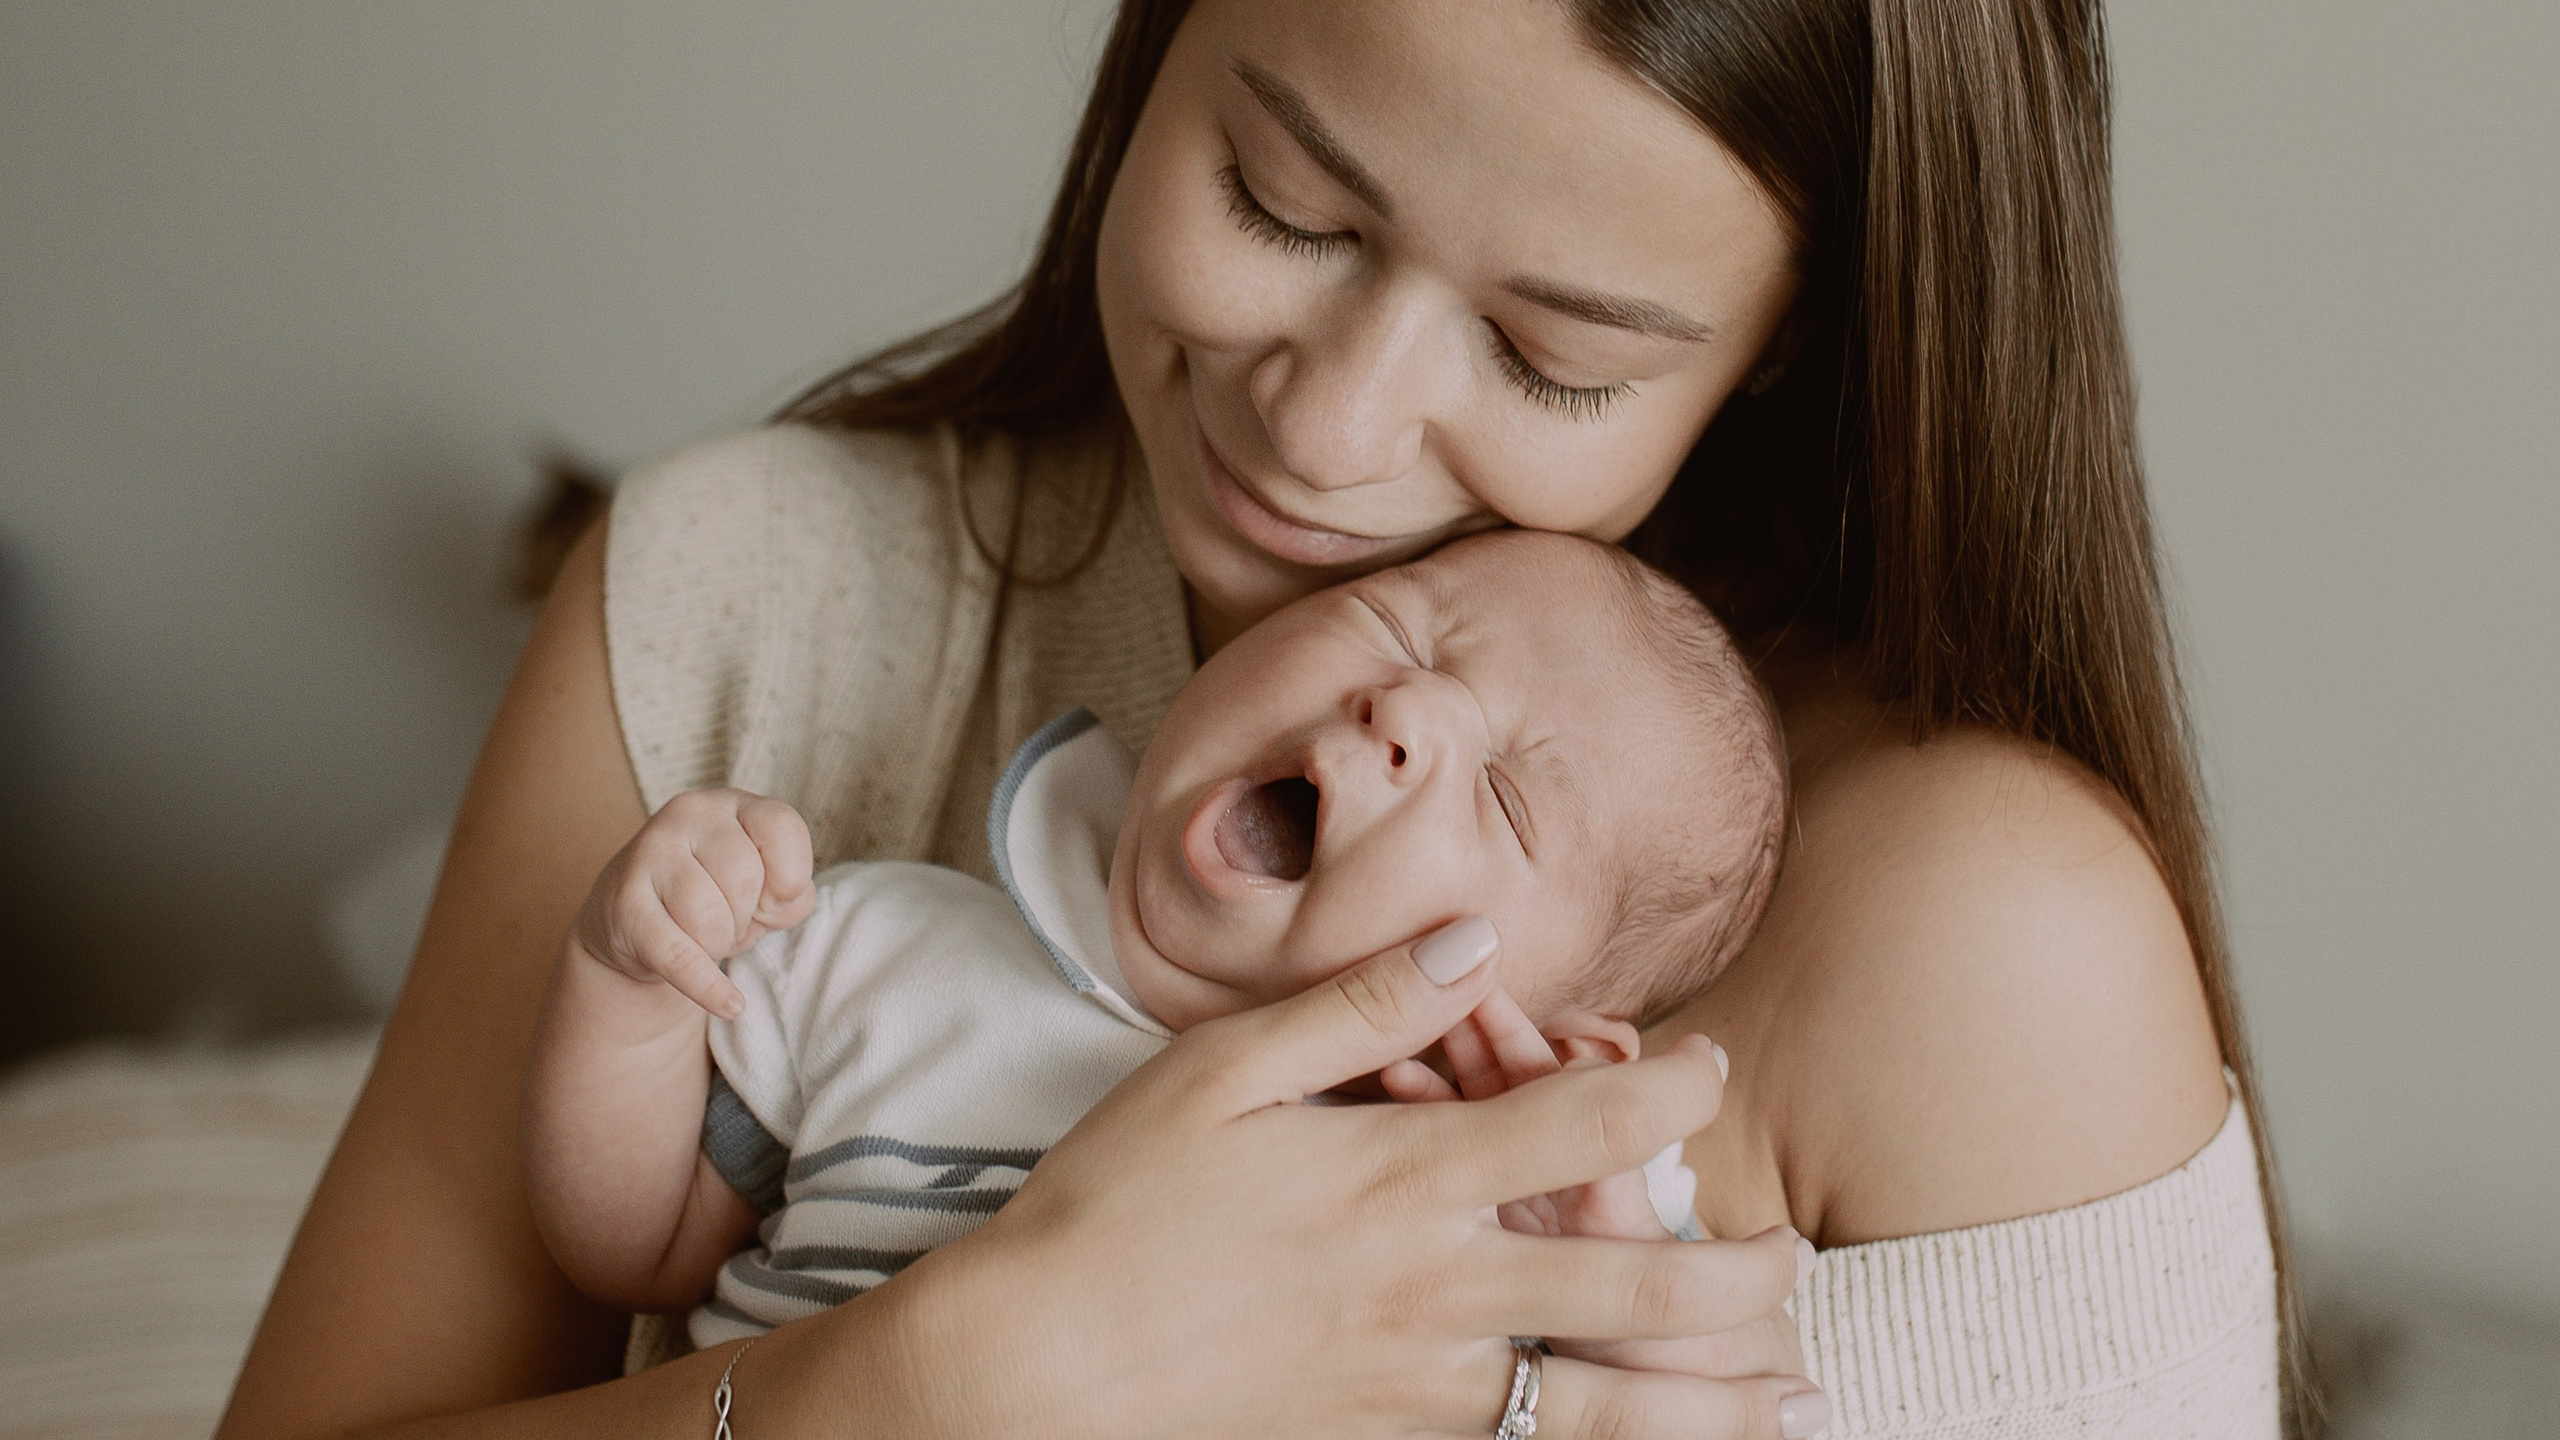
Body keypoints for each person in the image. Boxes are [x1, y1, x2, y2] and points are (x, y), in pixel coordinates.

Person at [221, 2, 2301, 1438]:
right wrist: (946, 1385)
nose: (1324, 426)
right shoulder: (748, 609)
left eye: (1548, 354)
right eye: (1284, 203)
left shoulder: (1962, 933)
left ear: (1785, 345)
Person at [520, 531, 1789, 1357]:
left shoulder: (1482, 1188)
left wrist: (1598, 1266)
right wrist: (627, 985)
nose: (1404, 705)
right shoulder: (874, 942)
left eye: (1505, 796)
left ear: (1551, 1038)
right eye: (1401, 627)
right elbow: (641, 1249)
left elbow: (1689, 1370)